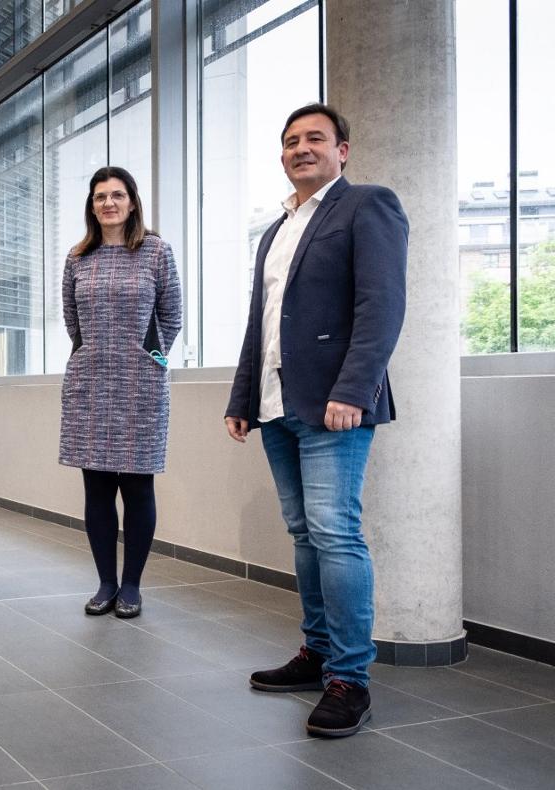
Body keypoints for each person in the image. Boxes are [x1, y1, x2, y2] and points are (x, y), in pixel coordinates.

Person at [225, 103, 407, 738]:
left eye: (315, 139)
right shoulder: (276, 231)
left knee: (335, 533)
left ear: (343, 150)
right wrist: (241, 397)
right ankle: (318, 653)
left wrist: (354, 387)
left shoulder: (366, 206)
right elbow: (262, 324)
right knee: (304, 534)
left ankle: (350, 679)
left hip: (336, 403)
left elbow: (381, 305)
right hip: (276, 406)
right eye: (291, 141)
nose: (301, 148)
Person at [58, 166, 182, 620]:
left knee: (137, 486)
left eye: (117, 195)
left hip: (141, 385)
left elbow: (171, 318)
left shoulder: (156, 251)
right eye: (99, 197)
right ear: (91, 206)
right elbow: (72, 321)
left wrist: (150, 359)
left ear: (132, 202)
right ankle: (106, 582)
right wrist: (95, 353)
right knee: (96, 489)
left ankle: (131, 585)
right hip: (89, 383)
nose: (108, 203)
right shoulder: (78, 257)